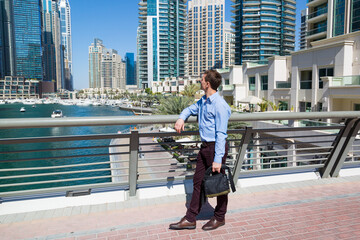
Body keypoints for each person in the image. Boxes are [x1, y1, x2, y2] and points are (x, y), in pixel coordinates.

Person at [169, 70, 231, 231]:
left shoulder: (220, 105)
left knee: (219, 184)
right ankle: (191, 218)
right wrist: (181, 118)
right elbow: (189, 109)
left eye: (201, 80)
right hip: (205, 147)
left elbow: (221, 134)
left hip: (215, 148)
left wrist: (218, 158)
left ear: (207, 84)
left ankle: (219, 217)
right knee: (198, 182)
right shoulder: (204, 101)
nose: (200, 82)